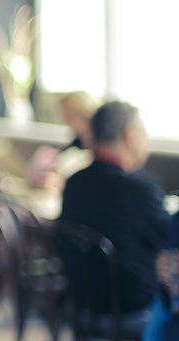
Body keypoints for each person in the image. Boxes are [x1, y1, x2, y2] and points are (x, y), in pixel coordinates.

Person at [59, 101, 168, 320]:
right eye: (144, 134)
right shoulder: (139, 189)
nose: (146, 141)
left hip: (83, 299)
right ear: (130, 135)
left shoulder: (74, 182)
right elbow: (169, 238)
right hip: (132, 302)